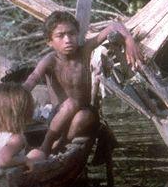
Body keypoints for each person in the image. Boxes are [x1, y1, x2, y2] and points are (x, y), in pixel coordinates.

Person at [23, 11, 143, 157]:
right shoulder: (50, 60)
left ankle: (59, 144)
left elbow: (114, 25)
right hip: (58, 117)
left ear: (78, 35)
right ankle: (47, 145)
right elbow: (34, 77)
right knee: (70, 104)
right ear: (49, 41)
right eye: (60, 36)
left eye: (71, 34)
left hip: (84, 115)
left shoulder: (84, 50)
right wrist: (23, 90)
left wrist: (129, 39)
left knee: (82, 114)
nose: (67, 39)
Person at [0, 83, 44, 170]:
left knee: (32, 152)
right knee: (38, 154)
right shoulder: (15, 138)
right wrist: (25, 160)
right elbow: (2, 160)